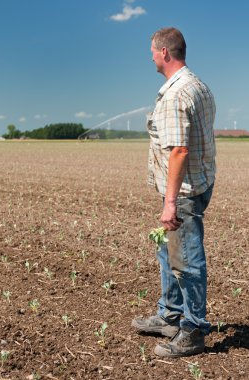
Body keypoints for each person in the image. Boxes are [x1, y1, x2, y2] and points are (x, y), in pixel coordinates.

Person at [132, 27, 216, 357]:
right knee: (169, 253)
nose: (150, 57)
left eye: (152, 51)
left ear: (164, 53)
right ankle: (169, 314)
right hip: (198, 182)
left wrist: (170, 203)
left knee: (187, 261)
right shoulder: (199, 85)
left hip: (182, 192)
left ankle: (193, 330)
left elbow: (179, 150)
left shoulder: (177, 94)